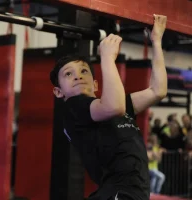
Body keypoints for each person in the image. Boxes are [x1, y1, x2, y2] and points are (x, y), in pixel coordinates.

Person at [50, 14, 167, 200]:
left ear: (95, 85)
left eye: (83, 71)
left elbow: (158, 90)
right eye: (68, 74)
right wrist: (106, 57)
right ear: (58, 92)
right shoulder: (74, 108)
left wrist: (157, 41)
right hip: (116, 192)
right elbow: (114, 107)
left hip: (131, 193)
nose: (78, 76)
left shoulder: (120, 104)